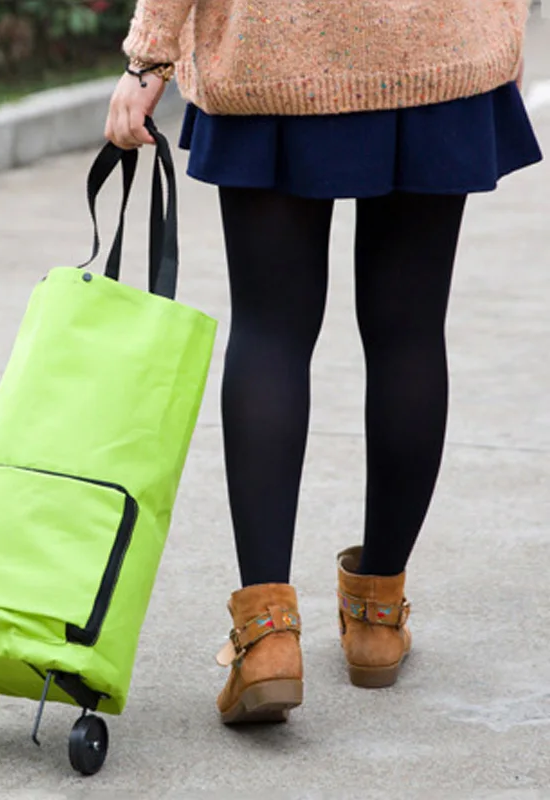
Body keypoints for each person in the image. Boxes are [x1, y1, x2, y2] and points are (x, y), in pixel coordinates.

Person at [105, 0, 543, 725]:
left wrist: (147, 58)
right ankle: (375, 618)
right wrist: (504, 25)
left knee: (272, 329)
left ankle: (267, 638)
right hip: (439, 43)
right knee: (408, 333)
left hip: (273, 49)